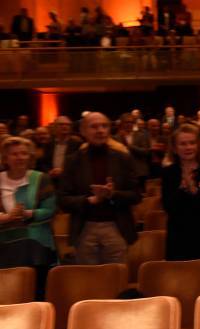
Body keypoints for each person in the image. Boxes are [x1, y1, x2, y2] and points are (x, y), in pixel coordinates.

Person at [58, 112, 141, 265]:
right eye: (94, 126)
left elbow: (136, 195)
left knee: (117, 281)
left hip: (117, 227)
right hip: (84, 228)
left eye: (104, 126)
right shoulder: (72, 161)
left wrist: (113, 194)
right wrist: (88, 200)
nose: (100, 130)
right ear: (83, 131)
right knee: (89, 283)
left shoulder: (123, 158)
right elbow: (63, 200)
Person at [0, 137, 56, 295]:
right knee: (9, 293)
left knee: (37, 292)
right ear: (5, 158)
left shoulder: (41, 178)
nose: (20, 157)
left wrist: (28, 213)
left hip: (37, 245)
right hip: (4, 245)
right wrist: (6, 217)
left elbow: (50, 210)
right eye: (14, 154)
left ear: (30, 157)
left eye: (24, 153)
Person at [162, 124, 200, 262]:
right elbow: (168, 207)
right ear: (175, 148)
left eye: (192, 143)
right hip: (179, 239)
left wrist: (195, 191)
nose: (188, 147)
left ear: (198, 145)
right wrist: (182, 189)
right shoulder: (168, 173)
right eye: (183, 144)